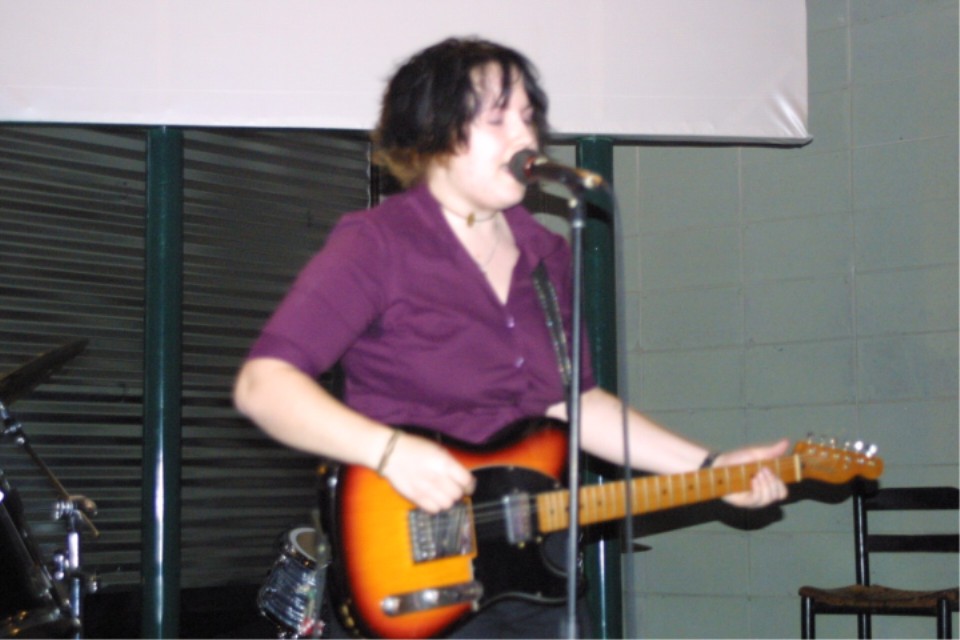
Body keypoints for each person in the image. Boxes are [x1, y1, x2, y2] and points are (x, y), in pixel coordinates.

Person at [234, 37, 789, 639]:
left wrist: (712, 467)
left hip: (533, 577)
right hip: (412, 575)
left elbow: (575, 405)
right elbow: (265, 385)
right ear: (433, 134)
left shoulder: (546, 255)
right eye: (497, 119)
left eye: (528, 117)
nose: (525, 135)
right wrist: (386, 452)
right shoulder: (378, 244)